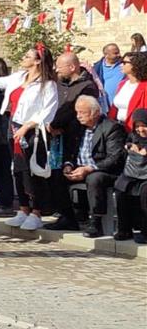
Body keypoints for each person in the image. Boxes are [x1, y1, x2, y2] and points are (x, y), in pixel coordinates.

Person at [0, 46, 58, 232]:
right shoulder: (18, 77)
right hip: (13, 125)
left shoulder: (47, 85)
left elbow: (47, 110)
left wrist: (27, 126)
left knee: (32, 170)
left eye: (27, 55)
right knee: (18, 169)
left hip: (32, 130)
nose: (23, 58)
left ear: (38, 61)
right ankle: (23, 208)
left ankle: (36, 211)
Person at [51, 96, 127, 238]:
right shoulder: (77, 127)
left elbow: (115, 158)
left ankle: (96, 222)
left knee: (94, 178)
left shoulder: (111, 128)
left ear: (95, 113)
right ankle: (69, 218)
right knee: (56, 175)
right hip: (80, 168)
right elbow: (70, 152)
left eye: (82, 113)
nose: (78, 116)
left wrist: (90, 168)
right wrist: (68, 165)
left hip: (104, 171)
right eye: (77, 112)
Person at [43, 52, 102, 230]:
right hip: (58, 136)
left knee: (70, 174)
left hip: (75, 135)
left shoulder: (87, 86)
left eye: (60, 67)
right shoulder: (60, 85)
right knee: (57, 175)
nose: (57, 70)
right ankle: (65, 214)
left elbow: (70, 109)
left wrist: (55, 123)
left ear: (72, 67)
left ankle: (77, 216)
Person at [113, 108, 147, 243]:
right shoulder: (133, 136)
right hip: (133, 173)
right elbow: (126, 144)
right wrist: (130, 147)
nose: (140, 129)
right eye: (137, 126)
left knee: (145, 192)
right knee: (121, 188)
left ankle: (145, 231)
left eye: (144, 125)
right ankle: (124, 229)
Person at [108, 52, 147, 129]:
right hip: (118, 127)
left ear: (136, 65)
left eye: (124, 62)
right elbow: (114, 108)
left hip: (136, 129)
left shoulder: (145, 86)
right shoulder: (122, 84)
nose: (121, 65)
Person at [92, 44, 124, 111]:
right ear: (106, 55)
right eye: (115, 53)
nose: (119, 55)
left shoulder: (124, 65)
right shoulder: (97, 68)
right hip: (106, 107)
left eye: (118, 52)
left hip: (122, 107)